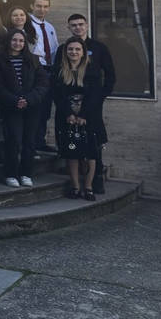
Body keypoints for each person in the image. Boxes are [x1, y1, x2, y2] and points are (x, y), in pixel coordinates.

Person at [53, 13, 116, 193]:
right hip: (68, 106)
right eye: (73, 25)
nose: (78, 27)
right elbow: (57, 81)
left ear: (87, 25)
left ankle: (95, 181)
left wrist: (100, 97)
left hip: (92, 104)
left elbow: (110, 76)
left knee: (92, 143)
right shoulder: (62, 49)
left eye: (80, 24)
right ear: (69, 28)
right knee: (72, 142)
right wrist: (67, 110)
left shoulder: (99, 47)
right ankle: (76, 183)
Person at [0, 29, 49, 189]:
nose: (17, 43)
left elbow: (43, 83)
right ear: (8, 41)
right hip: (11, 106)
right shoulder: (0, 61)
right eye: (14, 40)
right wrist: (15, 100)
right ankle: (11, 174)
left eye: (21, 41)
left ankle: (26, 173)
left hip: (32, 106)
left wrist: (28, 99)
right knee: (13, 140)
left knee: (29, 141)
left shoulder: (33, 60)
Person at [29, 0, 59, 151]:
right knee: (35, 108)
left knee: (45, 109)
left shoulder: (49, 27)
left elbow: (54, 49)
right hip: (35, 69)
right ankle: (30, 145)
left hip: (49, 70)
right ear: (31, 6)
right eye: (39, 6)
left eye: (45, 6)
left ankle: (40, 142)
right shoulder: (27, 24)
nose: (42, 9)